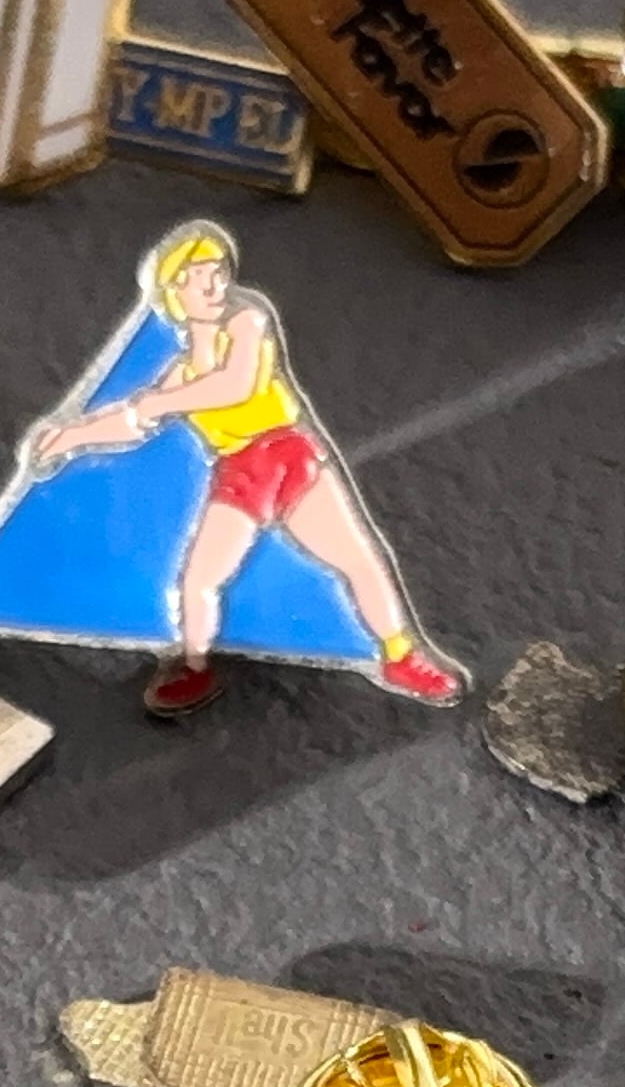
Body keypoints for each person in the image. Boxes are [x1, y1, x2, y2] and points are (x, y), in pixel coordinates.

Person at [25, 223, 461, 720]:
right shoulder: (180, 372)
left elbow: (234, 385)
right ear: (174, 294)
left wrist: (157, 403)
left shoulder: (247, 322)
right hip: (241, 473)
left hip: (288, 454)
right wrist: (70, 437)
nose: (214, 285)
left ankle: (403, 657)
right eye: (198, 276)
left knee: (357, 558)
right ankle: (194, 666)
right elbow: (131, 423)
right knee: (199, 579)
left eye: (218, 272)